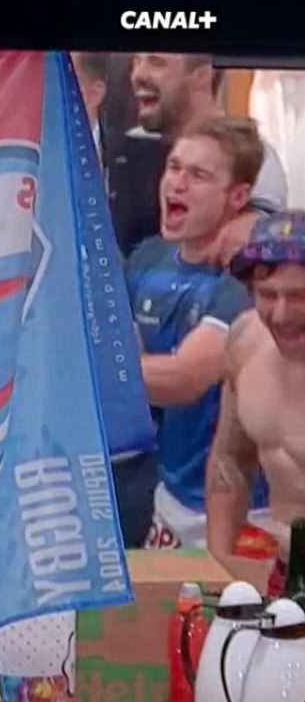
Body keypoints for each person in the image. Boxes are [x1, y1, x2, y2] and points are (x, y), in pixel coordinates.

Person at [125, 115, 273, 552]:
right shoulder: (147, 258)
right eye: (173, 167)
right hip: (168, 496)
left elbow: (184, 380)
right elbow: (120, 352)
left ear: (239, 196)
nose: (178, 183)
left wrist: (86, 365)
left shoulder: (247, 275)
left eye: (198, 175)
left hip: (247, 506)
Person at [206, 210, 305, 592]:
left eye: (299, 297)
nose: (281, 314)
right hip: (281, 568)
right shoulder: (246, 339)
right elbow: (230, 458)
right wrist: (219, 566)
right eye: (268, 295)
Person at [111, 54, 288, 255]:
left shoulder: (255, 158)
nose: (137, 75)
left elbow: (260, 247)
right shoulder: (124, 149)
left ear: (202, 75)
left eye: (156, 62)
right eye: (136, 62)